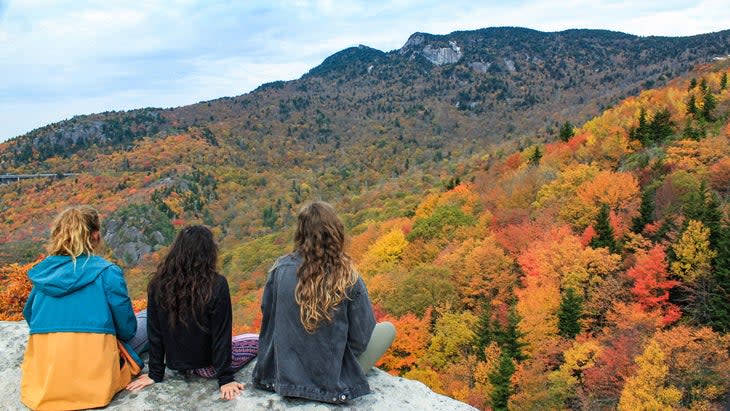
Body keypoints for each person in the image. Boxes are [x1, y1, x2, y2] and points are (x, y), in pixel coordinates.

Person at [253, 201, 395, 404]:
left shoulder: (279, 270)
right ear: (336, 231)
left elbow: (268, 318)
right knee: (387, 329)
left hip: (281, 375)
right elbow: (361, 338)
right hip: (330, 383)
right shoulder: (348, 277)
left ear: (300, 233)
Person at [20, 205, 144, 410]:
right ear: (95, 235)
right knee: (147, 319)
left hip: (45, 386)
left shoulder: (42, 274)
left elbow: (31, 316)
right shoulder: (107, 272)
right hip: (95, 383)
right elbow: (127, 328)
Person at [126, 225, 258, 400]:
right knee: (259, 340)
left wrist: (155, 374)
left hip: (176, 365)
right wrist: (226, 378)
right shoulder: (216, 284)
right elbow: (221, 334)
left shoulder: (158, 284)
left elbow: (155, 333)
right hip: (208, 366)